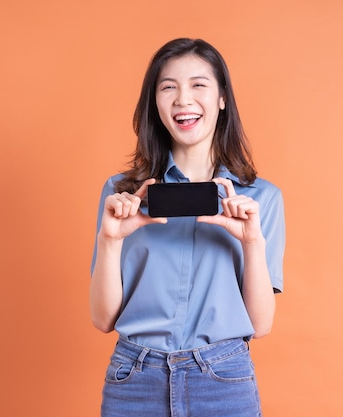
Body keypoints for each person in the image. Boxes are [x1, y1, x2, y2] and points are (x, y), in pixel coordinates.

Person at [90, 38, 285, 417]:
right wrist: (110, 240)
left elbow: (260, 326)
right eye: (168, 87)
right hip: (134, 377)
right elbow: (102, 320)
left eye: (198, 85)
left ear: (222, 98)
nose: (183, 99)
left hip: (223, 378)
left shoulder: (261, 199)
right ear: (156, 103)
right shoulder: (122, 195)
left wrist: (252, 243)